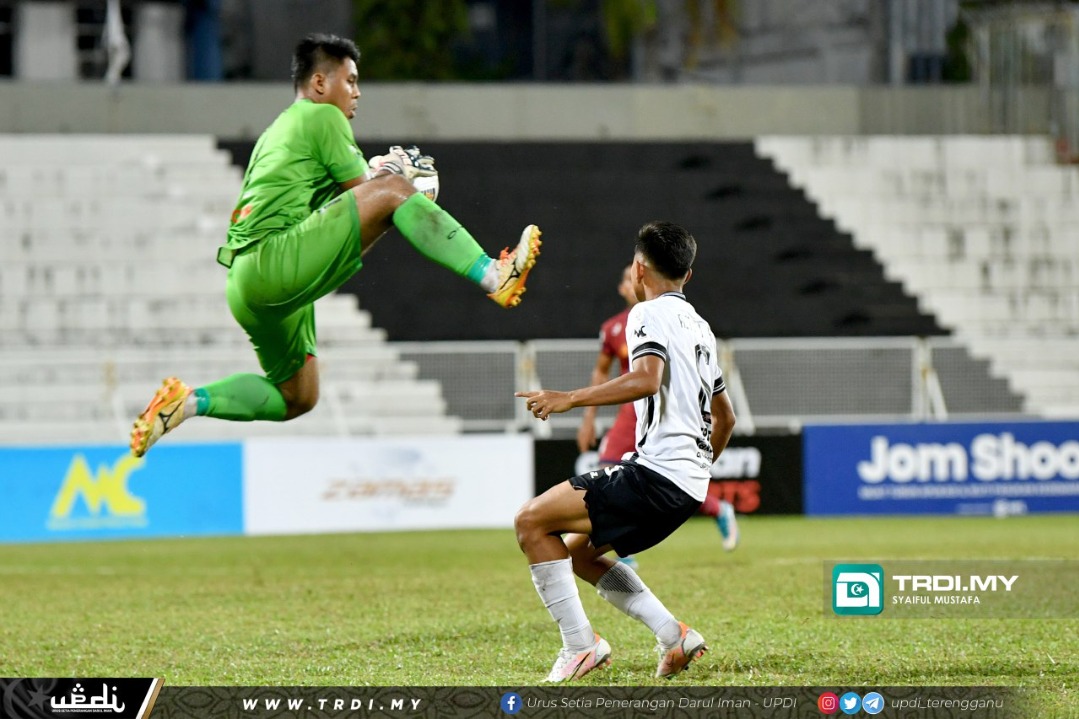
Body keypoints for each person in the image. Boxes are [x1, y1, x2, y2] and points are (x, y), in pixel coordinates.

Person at [129, 33, 541, 457]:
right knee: (396, 191)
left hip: (246, 284)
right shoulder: (321, 117)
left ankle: (189, 400)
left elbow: (348, 218)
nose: (357, 93)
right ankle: (495, 275)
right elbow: (377, 195)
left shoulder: (280, 130)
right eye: (351, 81)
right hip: (273, 262)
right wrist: (399, 180)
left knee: (297, 398)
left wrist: (390, 183)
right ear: (321, 84)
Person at [515, 221, 736, 682]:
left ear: (639, 269)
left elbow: (646, 379)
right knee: (579, 553)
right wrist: (696, 470)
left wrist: (570, 398)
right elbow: (726, 418)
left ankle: (580, 647)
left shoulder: (645, 313)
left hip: (656, 475)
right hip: (687, 486)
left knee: (532, 521)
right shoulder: (701, 328)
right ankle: (672, 634)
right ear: (688, 276)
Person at [577, 265, 740, 558]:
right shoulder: (613, 328)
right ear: (621, 287)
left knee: (664, 474)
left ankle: (717, 509)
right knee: (611, 468)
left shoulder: (666, 316)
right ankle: (622, 552)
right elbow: (601, 373)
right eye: (626, 279)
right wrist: (587, 419)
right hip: (632, 408)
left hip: (664, 405)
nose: (632, 283)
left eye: (634, 277)